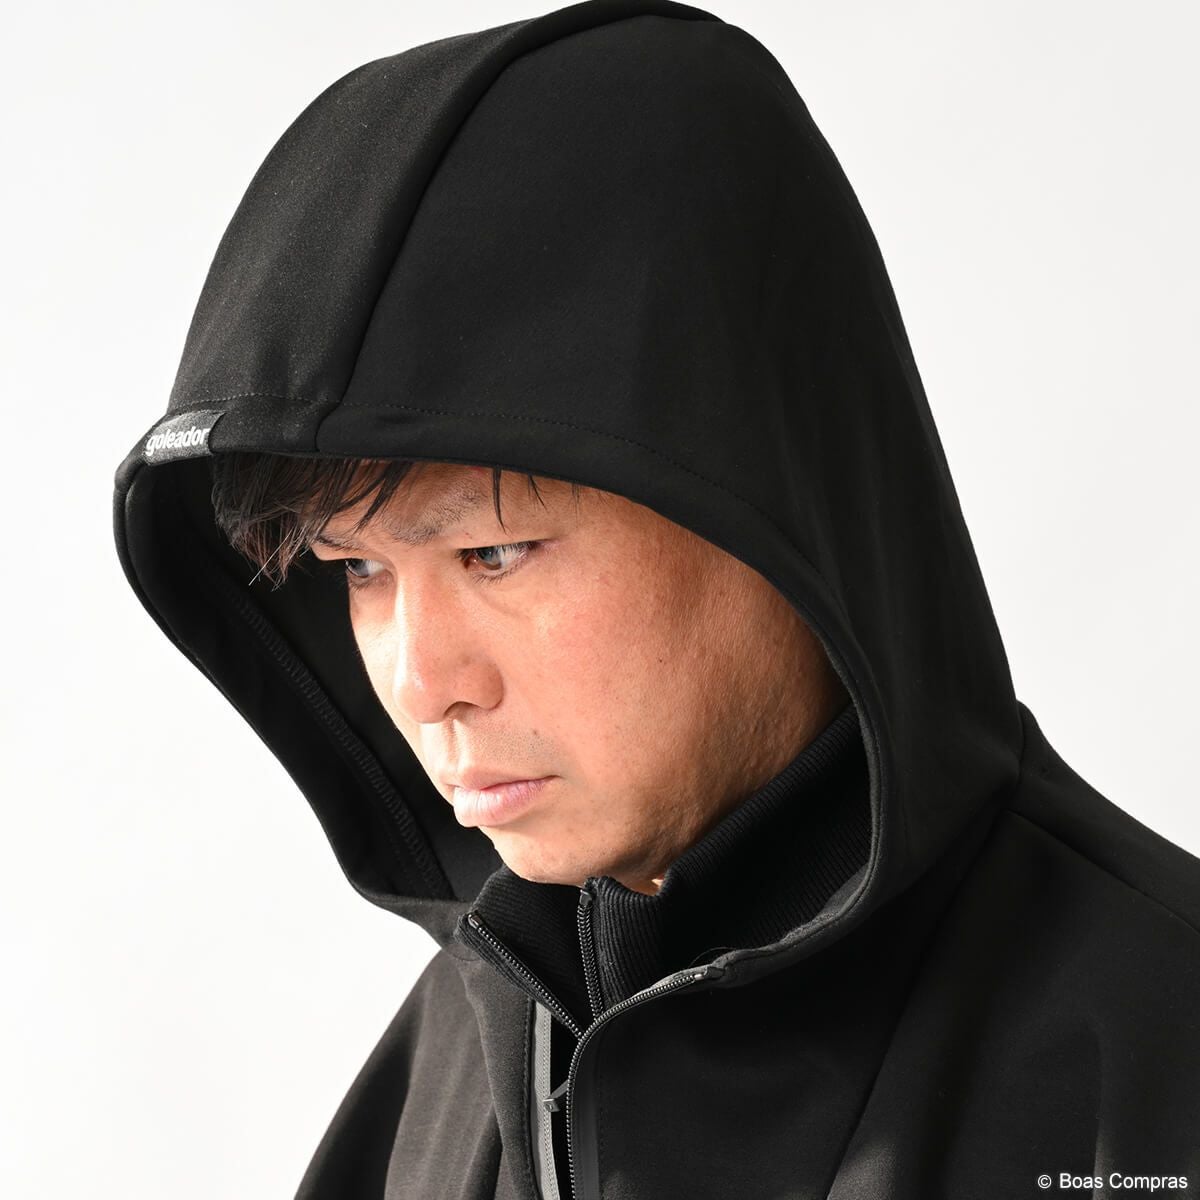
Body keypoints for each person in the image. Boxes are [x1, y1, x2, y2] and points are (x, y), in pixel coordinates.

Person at [111, 1, 1200, 1196]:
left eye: (494, 552)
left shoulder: (1158, 1045)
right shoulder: (461, 1049)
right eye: (358, 571)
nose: (423, 684)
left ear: (765, 507)